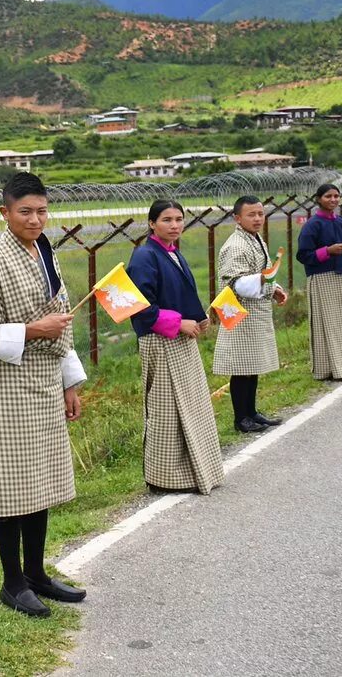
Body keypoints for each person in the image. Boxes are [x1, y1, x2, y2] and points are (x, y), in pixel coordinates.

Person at [0, 172, 87, 619]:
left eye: (41, 211)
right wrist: (34, 330)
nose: (35, 220)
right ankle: (12, 582)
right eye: (25, 212)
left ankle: (36, 573)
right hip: (12, 384)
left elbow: (62, 315)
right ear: (5, 212)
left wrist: (69, 381)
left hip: (47, 377)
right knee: (10, 484)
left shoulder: (44, 250)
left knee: (40, 479)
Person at [126, 200, 224, 494]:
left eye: (179, 219)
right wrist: (178, 323)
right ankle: (164, 477)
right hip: (160, 340)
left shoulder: (172, 253)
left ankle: (192, 471)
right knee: (166, 408)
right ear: (152, 223)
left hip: (181, 340)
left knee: (191, 405)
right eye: (167, 219)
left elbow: (179, 295)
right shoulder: (145, 255)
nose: (175, 225)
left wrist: (198, 317)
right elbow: (139, 305)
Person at [212, 196, 288, 433]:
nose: (257, 219)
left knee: (251, 365)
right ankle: (241, 418)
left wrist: (272, 289)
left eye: (260, 214)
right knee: (241, 368)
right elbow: (234, 283)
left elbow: (259, 275)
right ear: (237, 218)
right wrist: (263, 281)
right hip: (240, 313)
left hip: (256, 311)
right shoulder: (236, 245)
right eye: (251, 215)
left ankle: (252, 412)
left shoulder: (255, 240)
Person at [297, 184, 342, 380]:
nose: (333, 200)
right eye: (328, 196)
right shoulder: (312, 225)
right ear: (318, 199)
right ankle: (326, 369)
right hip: (322, 278)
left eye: (336, 196)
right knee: (324, 323)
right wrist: (327, 251)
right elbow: (303, 255)